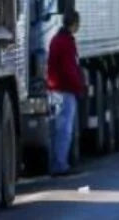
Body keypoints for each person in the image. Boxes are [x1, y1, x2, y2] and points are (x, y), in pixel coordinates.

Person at [47, 10, 86, 177]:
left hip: (54, 90)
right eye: (78, 24)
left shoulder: (56, 40)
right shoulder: (67, 42)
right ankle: (60, 165)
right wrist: (79, 86)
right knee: (65, 130)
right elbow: (70, 68)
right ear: (74, 24)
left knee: (56, 130)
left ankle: (56, 163)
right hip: (66, 91)